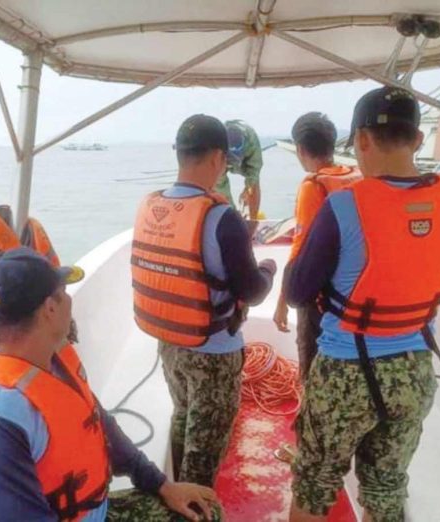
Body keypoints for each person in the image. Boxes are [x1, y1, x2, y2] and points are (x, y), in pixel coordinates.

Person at [286, 87, 440, 522]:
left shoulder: (342, 205)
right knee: (386, 488)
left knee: (315, 485)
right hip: (413, 372)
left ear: (360, 140)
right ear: (417, 139)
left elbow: (298, 291)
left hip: (343, 375)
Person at [0, 247, 220, 521]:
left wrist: (163, 485)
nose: (70, 301)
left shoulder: (50, 362)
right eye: (64, 292)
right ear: (50, 309)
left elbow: (99, 423)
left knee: (206, 512)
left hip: (95, 511)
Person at [131, 114, 276, 487]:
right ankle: (194, 505)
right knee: (204, 460)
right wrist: (269, 270)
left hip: (170, 343)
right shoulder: (221, 217)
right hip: (214, 353)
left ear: (179, 154)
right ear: (217, 158)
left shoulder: (150, 206)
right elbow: (251, 291)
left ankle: (177, 495)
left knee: (183, 417)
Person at [272, 112, 361, 382]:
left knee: (311, 363)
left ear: (300, 149)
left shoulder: (313, 186)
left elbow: (301, 246)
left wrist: (282, 302)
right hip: (353, 289)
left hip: (320, 296)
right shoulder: (357, 177)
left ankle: (310, 409)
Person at [212, 120, 263, 219]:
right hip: (221, 151)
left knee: (254, 185)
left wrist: (247, 188)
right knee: (218, 188)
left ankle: (253, 220)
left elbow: (253, 175)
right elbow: (223, 190)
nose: (230, 164)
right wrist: (235, 217)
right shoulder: (217, 147)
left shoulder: (252, 143)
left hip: (248, 154)